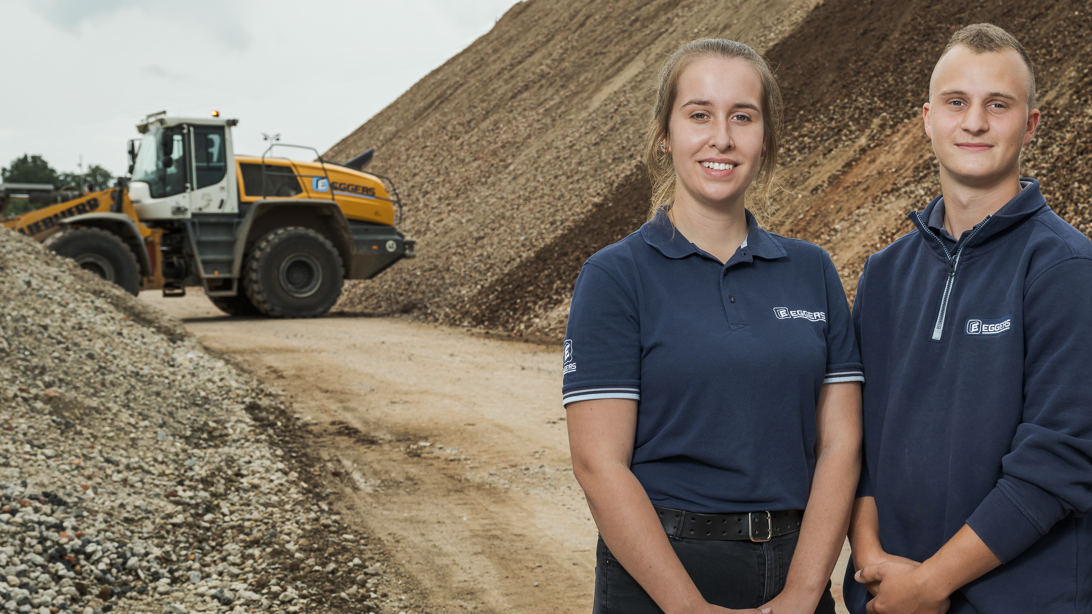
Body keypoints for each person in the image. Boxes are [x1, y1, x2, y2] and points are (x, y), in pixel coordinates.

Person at [563, 38, 863, 614]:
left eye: (742, 117)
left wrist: (803, 592)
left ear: (765, 139)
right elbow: (598, 463)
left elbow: (841, 444)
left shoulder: (812, 271)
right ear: (665, 134)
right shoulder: (615, 276)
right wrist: (687, 608)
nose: (721, 137)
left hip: (795, 571)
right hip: (659, 576)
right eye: (698, 114)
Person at [845, 23, 1092, 614]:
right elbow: (857, 446)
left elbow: (1058, 462)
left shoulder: (1067, 270)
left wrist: (931, 584)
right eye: (957, 103)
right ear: (928, 119)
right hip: (889, 598)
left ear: (1030, 124)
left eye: (997, 105)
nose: (974, 122)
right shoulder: (883, 275)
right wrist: (873, 562)